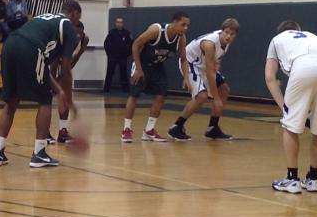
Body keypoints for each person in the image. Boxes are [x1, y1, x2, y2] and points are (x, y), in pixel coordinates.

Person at [0, 1, 82, 168]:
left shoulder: (44, 19)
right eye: (78, 18)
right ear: (74, 13)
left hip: (10, 44)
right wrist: (69, 100)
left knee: (11, 101)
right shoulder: (68, 26)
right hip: (31, 48)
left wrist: (60, 91)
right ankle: (39, 153)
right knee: (45, 99)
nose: (78, 23)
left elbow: (43, 67)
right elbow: (66, 70)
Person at [264, 21, 317, 194]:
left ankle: (291, 179)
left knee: (290, 126)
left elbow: (270, 77)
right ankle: (313, 179)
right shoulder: (312, 36)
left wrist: (284, 107)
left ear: (281, 31)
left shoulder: (277, 39)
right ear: (298, 30)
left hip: (303, 66)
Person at [121, 13, 190, 143]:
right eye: (183, 24)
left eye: (187, 25)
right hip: (141, 63)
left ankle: (149, 130)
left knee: (161, 95)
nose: (185, 28)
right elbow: (135, 45)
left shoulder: (181, 38)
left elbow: (183, 58)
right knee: (134, 95)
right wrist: (139, 69)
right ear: (174, 23)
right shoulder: (156, 30)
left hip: (157, 66)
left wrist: (186, 76)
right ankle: (126, 129)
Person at [169, 18, 240, 141]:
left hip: (203, 65)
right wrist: (216, 99)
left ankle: (212, 128)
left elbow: (216, 60)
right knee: (202, 96)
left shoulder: (225, 42)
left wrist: (217, 63)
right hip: (191, 64)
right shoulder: (209, 43)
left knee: (224, 89)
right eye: (227, 32)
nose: (228, 36)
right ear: (222, 31)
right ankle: (176, 127)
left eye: (232, 34)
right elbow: (210, 72)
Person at [53, 20, 89, 143]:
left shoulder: (84, 39)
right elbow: (54, 62)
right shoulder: (63, 39)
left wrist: (81, 51)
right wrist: (53, 80)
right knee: (46, 99)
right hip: (50, 60)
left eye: (80, 34)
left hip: (63, 65)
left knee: (66, 96)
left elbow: (69, 65)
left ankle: (63, 131)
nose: (77, 37)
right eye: (76, 35)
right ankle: (45, 133)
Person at [103, 16, 133, 93]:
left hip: (122, 57)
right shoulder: (111, 32)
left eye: (121, 22)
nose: (119, 24)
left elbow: (131, 45)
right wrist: (108, 53)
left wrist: (127, 54)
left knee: (123, 73)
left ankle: (125, 90)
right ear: (115, 23)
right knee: (109, 72)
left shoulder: (127, 33)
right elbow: (106, 43)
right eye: (118, 22)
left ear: (123, 24)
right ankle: (106, 89)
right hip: (112, 56)